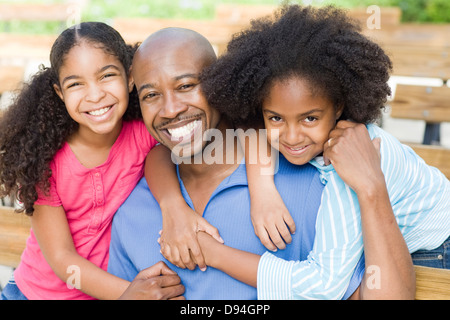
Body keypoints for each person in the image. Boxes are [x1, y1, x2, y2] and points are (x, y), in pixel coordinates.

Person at [107, 26, 418, 300]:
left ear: (221, 84)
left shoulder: (313, 187)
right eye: (151, 95)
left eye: (186, 85)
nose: (171, 109)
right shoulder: (132, 212)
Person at [194, 4, 449, 299]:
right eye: (276, 117)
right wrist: (262, 190)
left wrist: (214, 254)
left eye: (309, 118)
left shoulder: (349, 159)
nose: (291, 136)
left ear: (339, 107)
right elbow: (251, 129)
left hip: (436, 250)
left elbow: (323, 286)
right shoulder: (288, 129)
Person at [0, 22, 187, 300]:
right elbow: (62, 259)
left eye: (106, 76)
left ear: (130, 78)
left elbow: (218, 136)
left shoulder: (142, 134)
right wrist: (132, 294)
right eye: (76, 84)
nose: (95, 95)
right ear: (60, 93)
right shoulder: (44, 161)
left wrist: (174, 205)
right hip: (34, 294)